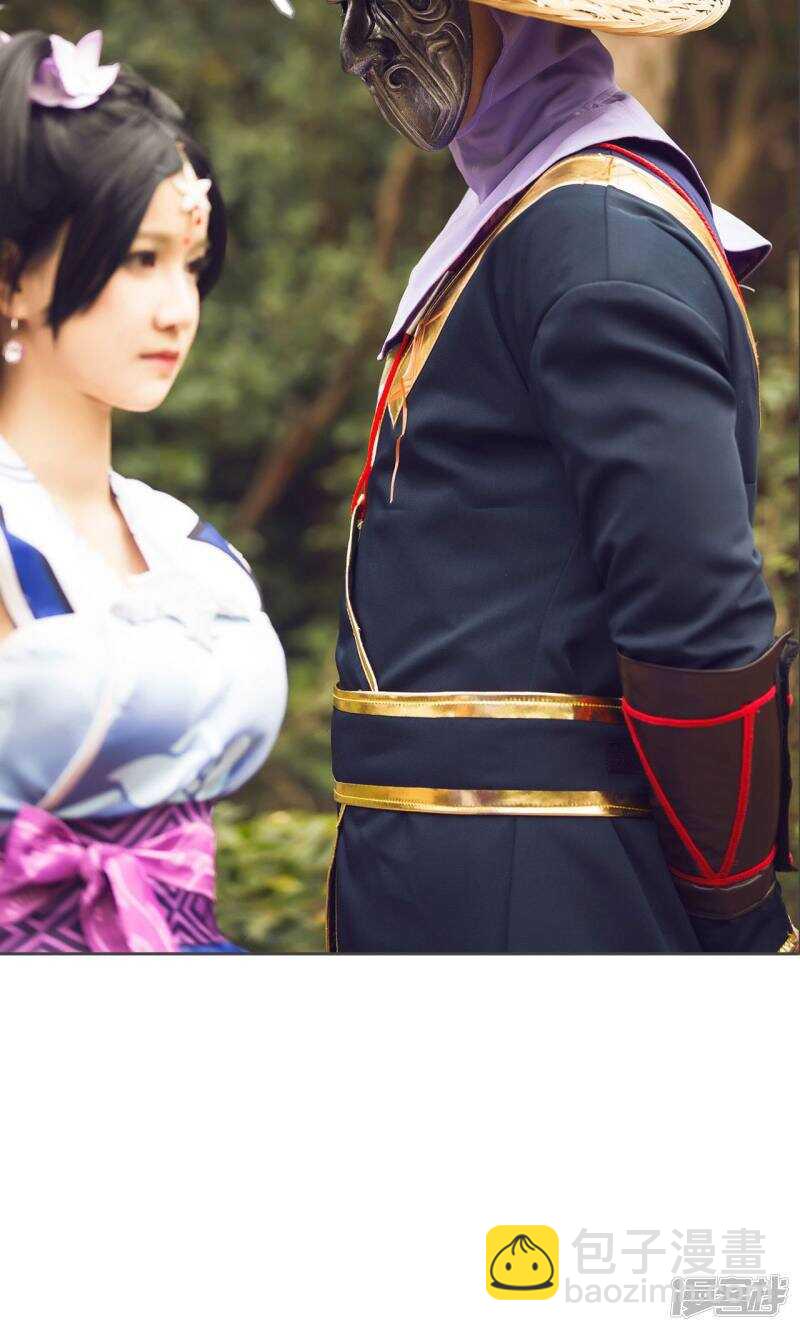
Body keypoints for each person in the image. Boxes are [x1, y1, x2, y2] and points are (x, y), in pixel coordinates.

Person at [312, 0, 798, 953]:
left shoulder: (596, 236)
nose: (361, 41)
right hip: (471, 878)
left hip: (549, 897)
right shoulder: (534, 216)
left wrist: (741, 920)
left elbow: (694, 621)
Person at [0, 29, 287, 953]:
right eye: (139, 259)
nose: (179, 309)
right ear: (11, 277)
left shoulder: (181, 539)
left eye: (191, 266)